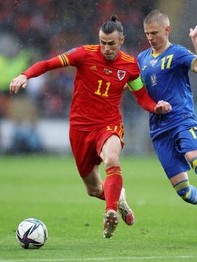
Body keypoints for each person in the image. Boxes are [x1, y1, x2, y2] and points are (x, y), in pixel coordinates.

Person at [10, 15, 172, 239]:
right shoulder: (84, 54)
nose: (106, 48)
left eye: (111, 43)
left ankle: (110, 213)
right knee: (94, 189)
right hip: (80, 128)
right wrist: (24, 75)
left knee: (112, 159)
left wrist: (157, 107)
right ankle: (119, 200)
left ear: (121, 40)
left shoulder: (130, 66)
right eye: (103, 43)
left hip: (108, 124)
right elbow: (49, 64)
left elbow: (141, 96)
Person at [137, 10, 197, 231]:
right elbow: (138, 91)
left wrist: (195, 41)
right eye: (147, 33)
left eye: (154, 33)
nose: (150, 37)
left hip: (182, 120)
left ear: (167, 30)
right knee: (183, 191)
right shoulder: (142, 58)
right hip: (159, 129)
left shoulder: (177, 53)